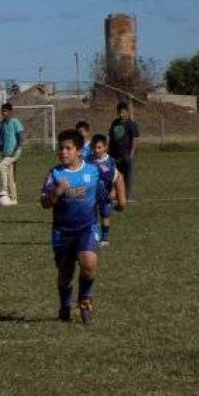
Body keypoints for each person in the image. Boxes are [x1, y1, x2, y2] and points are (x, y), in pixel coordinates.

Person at [40, 129, 125, 325]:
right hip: (62, 231)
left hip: (87, 227)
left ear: (78, 150)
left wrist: (121, 200)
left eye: (68, 148)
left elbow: (117, 177)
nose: (63, 152)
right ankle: (64, 306)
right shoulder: (55, 174)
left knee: (89, 266)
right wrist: (56, 193)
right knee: (65, 274)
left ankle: (85, 301)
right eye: (60, 148)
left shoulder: (93, 170)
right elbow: (44, 203)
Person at [89, 135, 127, 247]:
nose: (96, 150)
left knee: (105, 215)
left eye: (99, 147)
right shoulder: (89, 160)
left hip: (106, 193)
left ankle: (105, 238)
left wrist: (114, 190)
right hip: (92, 194)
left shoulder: (110, 161)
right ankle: (94, 236)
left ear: (105, 147)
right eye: (94, 147)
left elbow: (115, 177)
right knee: (92, 215)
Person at [0, 103, 26, 206]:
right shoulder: (1, 124)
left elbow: (21, 138)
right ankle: (14, 199)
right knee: (11, 176)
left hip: (15, 153)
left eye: (6, 111)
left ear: (11, 112)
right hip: (5, 153)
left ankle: (5, 190)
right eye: (3, 111)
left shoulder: (15, 122)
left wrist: (15, 150)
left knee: (2, 165)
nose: (4, 113)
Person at [108, 102, 140, 199]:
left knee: (127, 176)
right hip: (115, 155)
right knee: (115, 175)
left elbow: (135, 139)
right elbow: (110, 138)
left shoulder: (131, 124)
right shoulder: (114, 123)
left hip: (126, 155)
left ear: (127, 112)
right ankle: (116, 194)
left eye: (123, 112)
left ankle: (126, 196)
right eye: (119, 112)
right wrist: (108, 152)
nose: (121, 114)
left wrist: (131, 154)